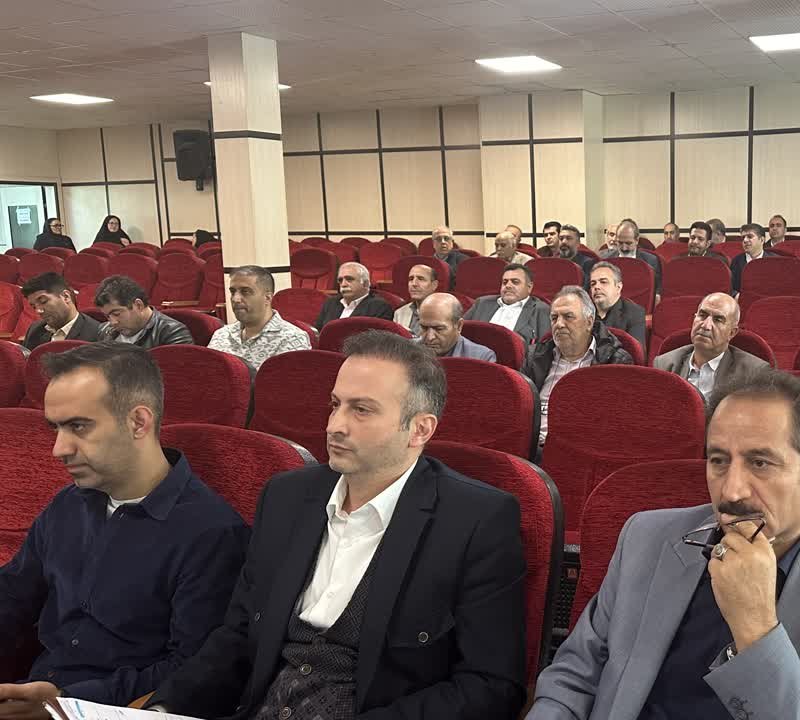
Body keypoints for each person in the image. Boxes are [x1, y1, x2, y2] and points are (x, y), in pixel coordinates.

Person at [148, 331, 528, 720]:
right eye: (335, 404)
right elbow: (240, 634)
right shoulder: (285, 497)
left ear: (420, 429)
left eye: (361, 410)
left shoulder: (475, 521)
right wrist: (165, 706)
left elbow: (489, 686)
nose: (334, 426)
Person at [528, 368, 800, 720]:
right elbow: (572, 679)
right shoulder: (645, 538)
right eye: (718, 460)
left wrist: (756, 630)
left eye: (760, 463)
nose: (731, 492)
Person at [0, 343, 247, 712]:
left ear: (138, 422)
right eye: (56, 428)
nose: (58, 449)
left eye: (78, 426)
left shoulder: (212, 534)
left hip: (117, 709)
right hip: (34, 692)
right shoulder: (68, 504)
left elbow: (192, 672)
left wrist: (65, 703)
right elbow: (13, 596)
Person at [522, 286, 635, 445]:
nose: (559, 324)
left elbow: (614, 424)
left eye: (568, 317)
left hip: (581, 448)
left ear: (589, 322)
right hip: (530, 446)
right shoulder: (535, 356)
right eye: (554, 318)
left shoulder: (614, 361)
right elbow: (520, 408)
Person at [654, 292, 768, 399]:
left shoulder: (753, 372)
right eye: (702, 315)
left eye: (718, 320)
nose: (706, 326)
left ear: (732, 333)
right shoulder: (664, 364)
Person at [207, 266, 311, 370]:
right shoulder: (221, 334)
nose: (235, 299)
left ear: (267, 298)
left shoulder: (292, 338)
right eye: (233, 292)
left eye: (245, 292)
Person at [95, 275, 193, 347]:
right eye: (107, 316)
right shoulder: (104, 330)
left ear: (139, 305)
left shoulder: (172, 333)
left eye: (117, 314)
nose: (112, 322)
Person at [464, 264, 551, 344]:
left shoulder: (541, 310)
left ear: (529, 287)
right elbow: (460, 329)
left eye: (515, 282)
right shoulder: (482, 303)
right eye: (505, 282)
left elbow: (544, 347)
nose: (508, 285)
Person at [19, 272, 101, 350]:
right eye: (33, 306)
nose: (38, 311)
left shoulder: (96, 334)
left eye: (43, 301)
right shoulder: (35, 330)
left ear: (66, 296)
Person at [314, 262, 395, 330]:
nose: (343, 284)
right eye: (340, 280)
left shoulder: (380, 307)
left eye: (349, 279)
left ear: (365, 284)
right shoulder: (331, 303)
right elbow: (318, 332)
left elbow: (376, 339)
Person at [418, 293, 496, 361]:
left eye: (439, 329)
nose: (430, 337)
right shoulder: (410, 350)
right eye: (424, 328)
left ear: (459, 326)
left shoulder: (481, 358)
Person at [588, 262, 645, 354]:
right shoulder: (584, 312)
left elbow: (636, 354)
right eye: (593, 283)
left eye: (603, 282)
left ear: (618, 287)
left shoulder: (634, 313)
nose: (596, 287)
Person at [607, 220, 662, 295]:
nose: (624, 248)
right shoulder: (607, 260)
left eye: (628, 243)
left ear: (637, 240)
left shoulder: (651, 261)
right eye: (620, 243)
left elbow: (657, 290)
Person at [392, 264, 439, 336]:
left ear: (434, 285)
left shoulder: (445, 312)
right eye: (411, 279)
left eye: (421, 279)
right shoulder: (399, 313)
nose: (414, 284)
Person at [729, 222, 775, 295]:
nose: (745, 240)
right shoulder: (736, 261)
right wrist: (736, 295)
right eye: (743, 238)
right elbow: (730, 287)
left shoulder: (773, 261)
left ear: (762, 240)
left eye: (750, 237)